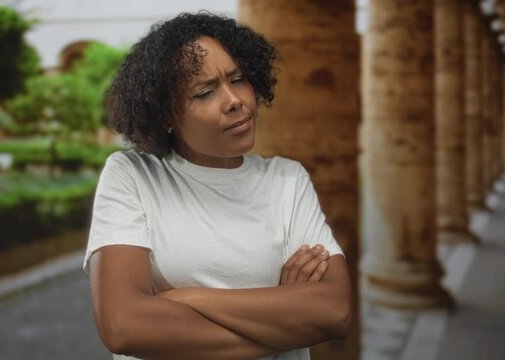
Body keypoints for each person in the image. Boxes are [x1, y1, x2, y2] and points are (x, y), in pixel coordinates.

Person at [84, 12, 351, 360]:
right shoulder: (132, 175)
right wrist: (284, 318)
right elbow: (124, 326)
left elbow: (334, 311)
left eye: (238, 79)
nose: (234, 100)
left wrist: (186, 298)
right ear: (165, 116)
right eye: (205, 92)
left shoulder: (287, 180)